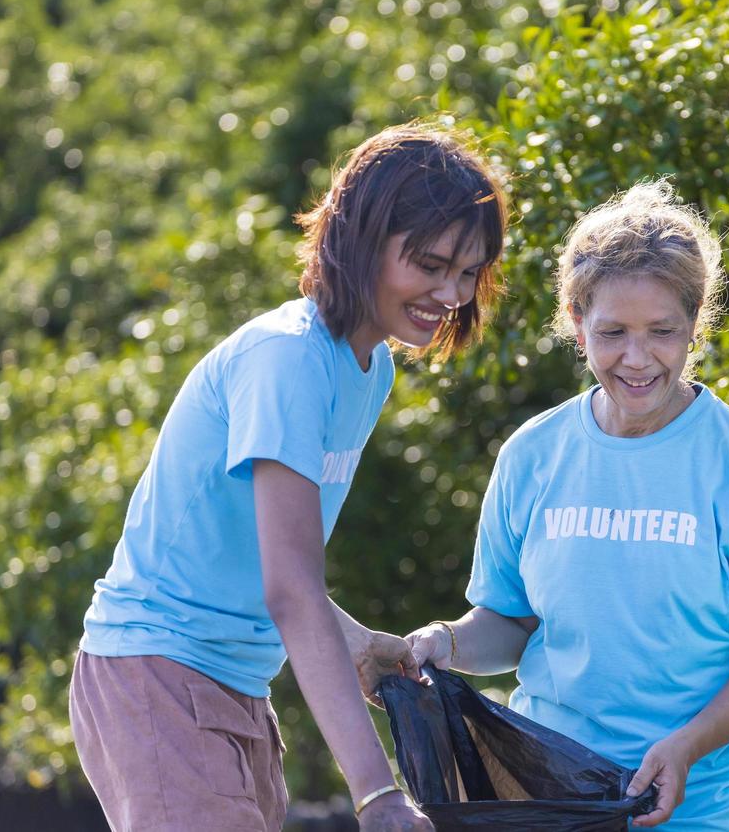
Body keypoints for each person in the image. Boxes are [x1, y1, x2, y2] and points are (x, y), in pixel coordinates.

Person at [69, 126, 508, 832]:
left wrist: (361, 647)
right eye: (429, 264)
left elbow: (266, 558)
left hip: (240, 684)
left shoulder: (369, 371)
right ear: (363, 237)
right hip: (154, 671)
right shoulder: (287, 359)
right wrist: (378, 794)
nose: (450, 293)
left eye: (467, 273)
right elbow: (291, 590)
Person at [405, 179, 729, 829]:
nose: (637, 359)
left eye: (662, 331)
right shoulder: (532, 454)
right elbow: (511, 625)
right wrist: (447, 642)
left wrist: (686, 746)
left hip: (709, 806)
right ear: (577, 326)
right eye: (612, 333)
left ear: (696, 324)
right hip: (551, 796)